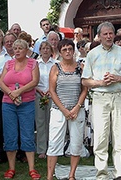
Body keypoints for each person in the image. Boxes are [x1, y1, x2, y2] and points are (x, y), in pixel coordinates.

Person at [82, 21, 121, 180]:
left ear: (114, 34)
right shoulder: (92, 54)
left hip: (120, 98)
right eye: (105, 34)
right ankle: (102, 174)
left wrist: (118, 78)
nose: (108, 36)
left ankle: (120, 174)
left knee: (120, 137)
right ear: (99, 36)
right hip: (100, 98)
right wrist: (101, 82)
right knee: (100, 138)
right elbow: (85, 81)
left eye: (110, 33)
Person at [0, 38, 41, 179]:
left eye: (20, 48)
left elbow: (34, 81)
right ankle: (11, 168)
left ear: (26, 50)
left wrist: (19, 91)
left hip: (27, 103)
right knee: (10, 135)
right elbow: (1, 82)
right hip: (8, 103)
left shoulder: (33, 63)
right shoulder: (8, 64)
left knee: (27, 134)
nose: (17, 50)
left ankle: (32, 168)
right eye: (15, 48)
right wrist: (11, 93)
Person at [46, 39, 88, 180]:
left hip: (77, 110)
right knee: (54, 143)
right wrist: (63, 109)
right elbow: (52, 91)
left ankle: (72, 175)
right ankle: (50, 177)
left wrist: (77, 107)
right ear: (60, 52)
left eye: (70, 49)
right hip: (58, 110)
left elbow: (84, 89)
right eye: (64, 49)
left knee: (76, 143)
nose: (68, 52)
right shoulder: (55, 68)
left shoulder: (80, 67)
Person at [36, 41, 57, 158]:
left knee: (52, 122)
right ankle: (41, 149)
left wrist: (50, 90)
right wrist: (39, 90)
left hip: (52, 94)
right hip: (39, 94)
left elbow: (57, 79)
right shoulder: (35, 64)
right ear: (40, 50)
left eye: (47, 48)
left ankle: (52, 148)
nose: (45, 50)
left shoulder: (55, 64)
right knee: (40, 122)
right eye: (43, 48)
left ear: (51, 50)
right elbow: (32, 79)